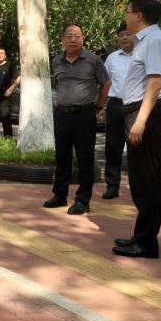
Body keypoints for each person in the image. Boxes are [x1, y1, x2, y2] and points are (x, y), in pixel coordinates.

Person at [113, 0, 161, 259]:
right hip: (139, 112)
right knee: (139, 180)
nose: (125, 16)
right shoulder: (145, 41)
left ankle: (147, 242)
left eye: (128, 11)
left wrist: (140, 120)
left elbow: (155, 83)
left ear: (138, 15)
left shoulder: (155, 40)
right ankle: (141, 236)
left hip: (146, 114)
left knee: (147, 180)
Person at [42, 23, 109, 216]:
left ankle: (82, 200)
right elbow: (58, 84)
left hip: (84, 115)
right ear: (62, 39)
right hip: (62, 114)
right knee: (62, 157)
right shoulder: (56, 61)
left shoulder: (93, 60)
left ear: (83, 38)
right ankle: (60, 195)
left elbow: (106, 83)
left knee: (85, 158)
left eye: (77, 36)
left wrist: (98, 107)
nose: (73, 39)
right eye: (69, 36)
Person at [102, 22, 134, 200]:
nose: (124, 37)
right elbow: (105, 83)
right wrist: (101, 105)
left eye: (128, 34)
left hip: (136, 105)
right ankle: (112, 185)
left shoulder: (142, 56)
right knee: (113, 146)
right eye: (121, 35)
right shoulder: (112, 58)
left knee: (136, 146)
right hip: (115, 104)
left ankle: (137, 186)